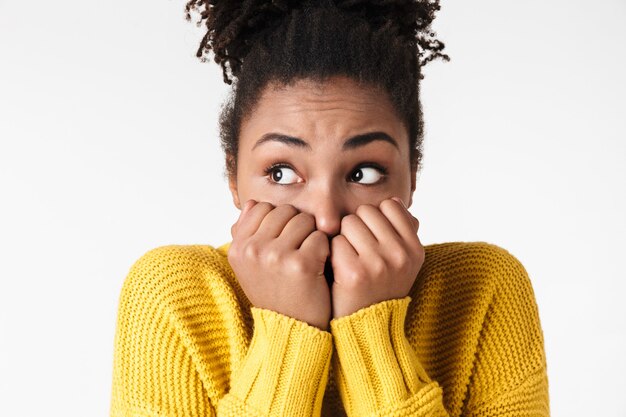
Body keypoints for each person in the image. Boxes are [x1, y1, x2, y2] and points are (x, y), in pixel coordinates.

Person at [109, 1, 550, 416]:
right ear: (234, 177)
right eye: (281, 173)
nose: (325, 216)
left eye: (364, 173)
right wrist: (286, 332)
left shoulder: (482, 289)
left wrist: (373, 334)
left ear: (411, 175)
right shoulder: (172, 295)